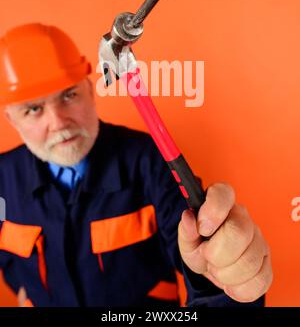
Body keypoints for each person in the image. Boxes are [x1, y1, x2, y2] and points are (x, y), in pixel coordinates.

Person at [0, 23, 272, 307]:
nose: (58, 123)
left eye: (69, 95)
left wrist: (231, 275)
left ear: (90, 91)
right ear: (11, 119)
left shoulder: (150, 162)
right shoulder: (2, 182)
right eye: (33, 109)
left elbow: (208, 274)